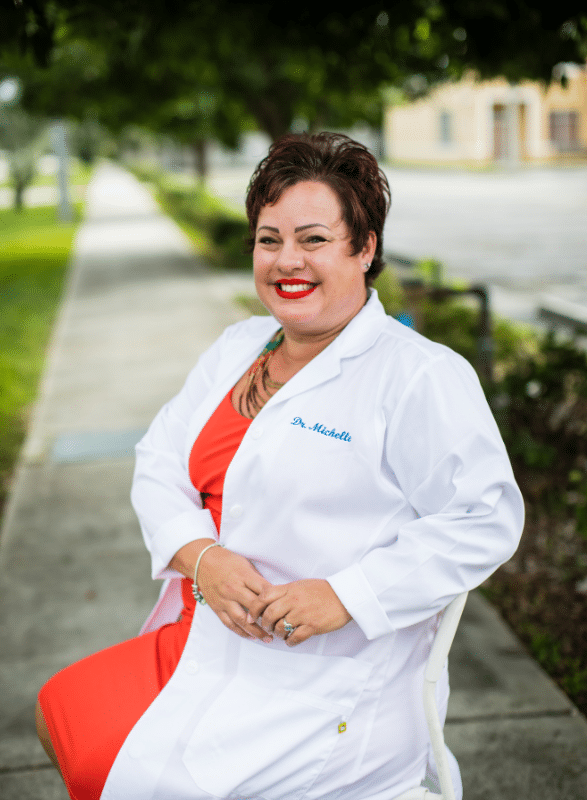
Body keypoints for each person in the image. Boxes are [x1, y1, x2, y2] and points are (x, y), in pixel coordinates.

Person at [36, 132, 524, 800]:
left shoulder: (420, 377)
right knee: (57, 709)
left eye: (314, 239)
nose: (287, 261)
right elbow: (158, 461)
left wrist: (345, 595)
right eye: (270, 239)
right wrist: (198, 554)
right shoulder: (239, 346)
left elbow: (483, 519)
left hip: (321, 678)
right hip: (200, 634)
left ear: (366, 248)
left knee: (140, 786)